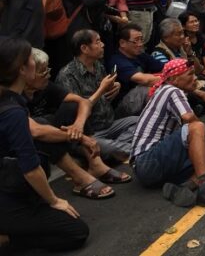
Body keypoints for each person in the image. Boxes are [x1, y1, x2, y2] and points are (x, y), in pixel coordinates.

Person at [0, 38, 89, 252]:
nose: (37, 63)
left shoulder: (13, 100)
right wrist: (54, 200)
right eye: (31, 59)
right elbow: (30, 168)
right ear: (21, 69)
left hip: (12, 187)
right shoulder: (12, 111)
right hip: (7, 195)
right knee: (76, 232)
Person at [130, 58, 205, 212]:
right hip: (146, 161)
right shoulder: (171, 90)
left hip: (156, 164)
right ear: (174, 79)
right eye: (190, 74)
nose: (195, 78)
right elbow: (189, 119)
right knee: (197, 126)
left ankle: (183, 188)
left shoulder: (168, 89)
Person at [24, 48, 130, 200]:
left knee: (74, 106)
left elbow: (84, 102)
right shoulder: (14, 95)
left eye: (48, 69)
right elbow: (36, 131)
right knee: (42, 124)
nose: (48, 74)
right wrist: (80, 137)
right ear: (27, 73)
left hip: (64, 134)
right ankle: (79, 178)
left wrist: (78, 125)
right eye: (42, 71)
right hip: (30, 143)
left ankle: (96, 165)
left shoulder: (47, 86)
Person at [56, 29, 138, 162]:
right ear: (84, 48)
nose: (103, 45)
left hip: (110, 124)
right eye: (98, 42)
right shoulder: (67, 75)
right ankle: (134, 150)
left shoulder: (98, 66)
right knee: (105, 146)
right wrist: (102, 89)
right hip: (89, 132)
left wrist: (114, 87)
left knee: (139, 122)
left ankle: (119, 149)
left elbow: (104, 95)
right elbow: (77, 110)